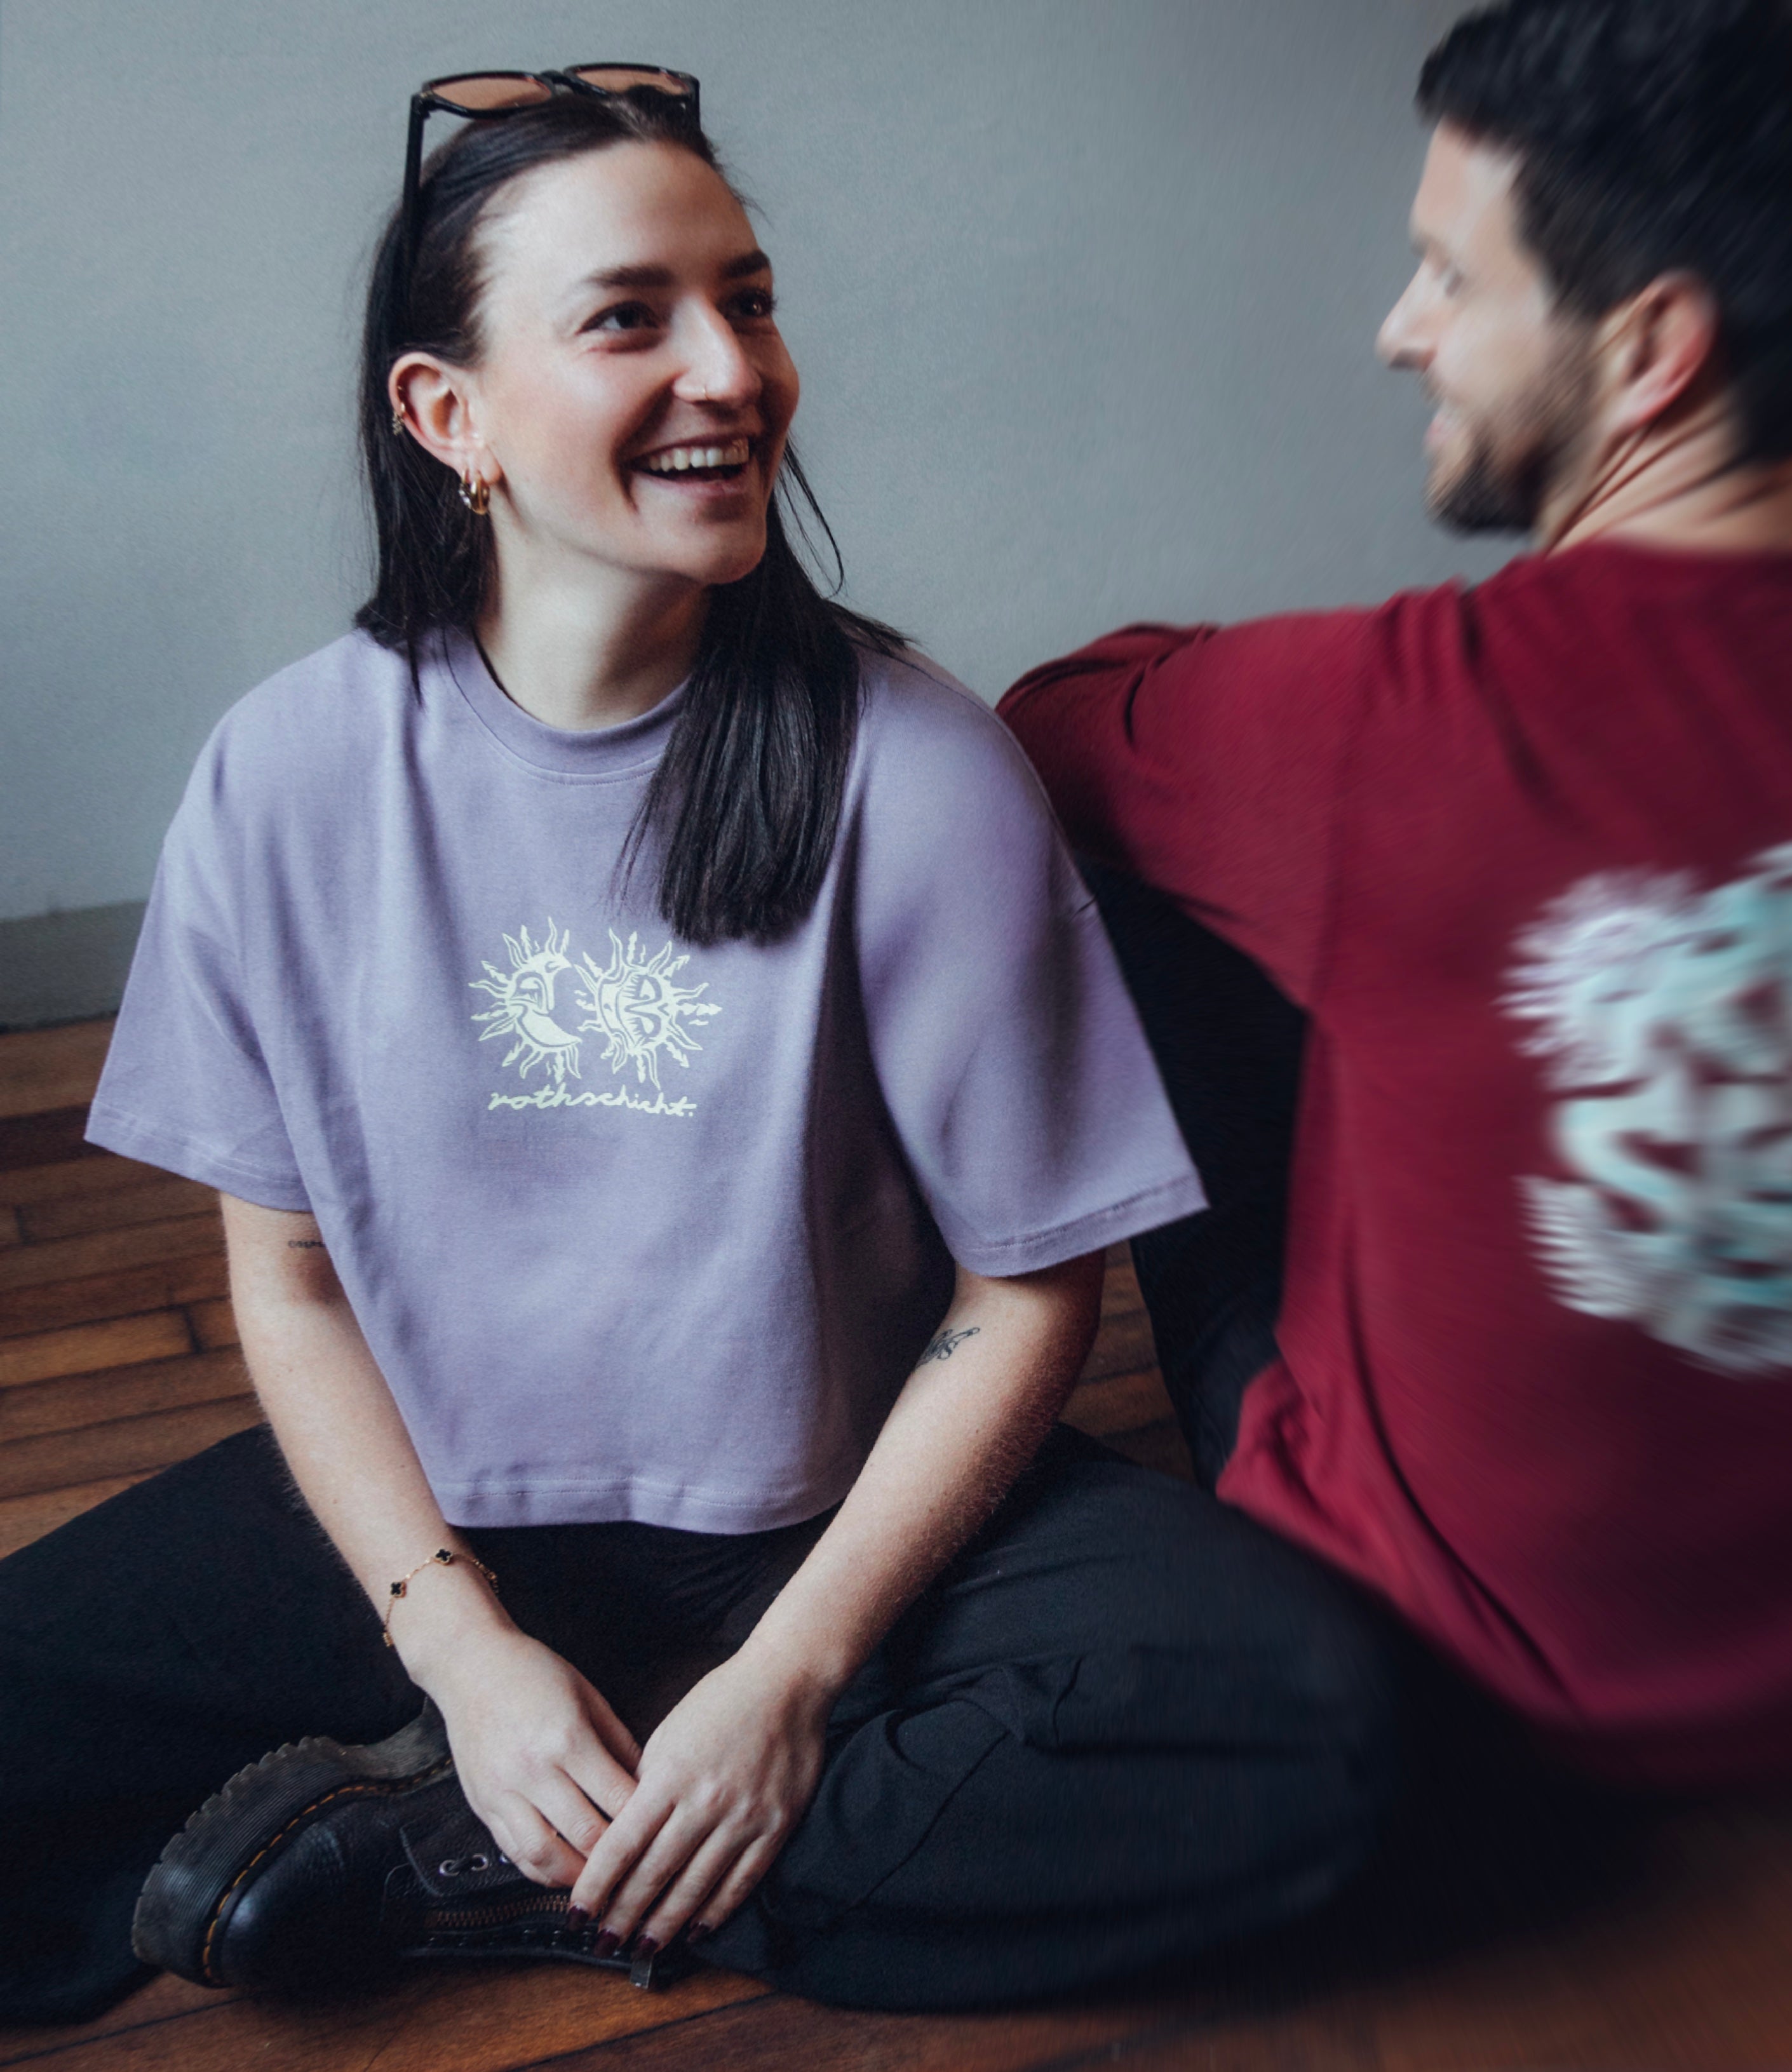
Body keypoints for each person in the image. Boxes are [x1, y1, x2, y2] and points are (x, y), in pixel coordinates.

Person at [0, 72, 1398, 2028]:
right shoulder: (286, 776)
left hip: (820, 1517)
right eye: (628, 316)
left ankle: (465, 1870)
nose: (731, 369)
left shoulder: (916, 769)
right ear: (447, 415)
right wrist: (458, 1653)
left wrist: (792, 1678)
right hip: (444, 1509)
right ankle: (533, 1787)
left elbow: (1024, 1289)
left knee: (1316, 1731)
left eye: (746, 300)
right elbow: (291, 1279)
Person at [1002, 0, 1792, 1796]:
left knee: (1158, 887)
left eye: (1450, 275)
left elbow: (1048, 724)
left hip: (1460, 1683)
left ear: (1649, 348)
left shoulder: (1387, 717)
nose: (1399, 329)